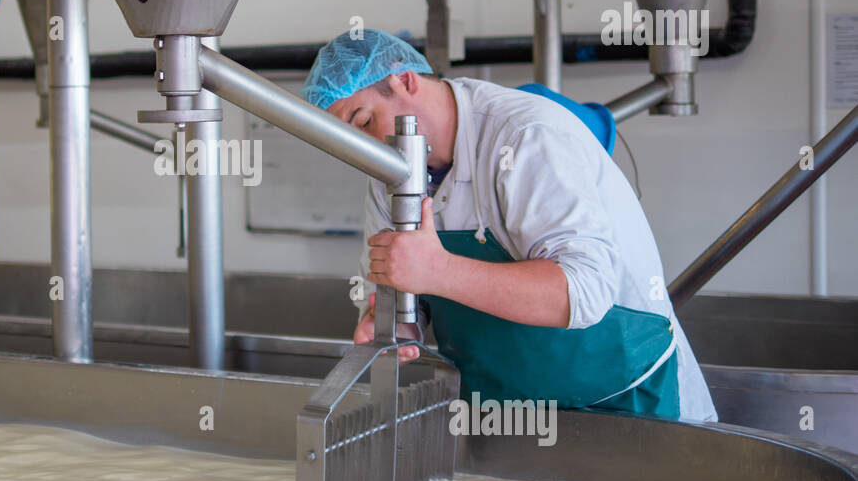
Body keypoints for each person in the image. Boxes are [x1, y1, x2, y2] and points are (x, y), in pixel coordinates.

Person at [302, 29, 716, 422]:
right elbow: (405, 289)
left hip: (628, 403)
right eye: (350, 141)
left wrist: (440, 271)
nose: (368, 149)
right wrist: (397, 323)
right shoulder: (388, 173)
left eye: (364, 121)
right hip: (502, 414)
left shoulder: (526, 136)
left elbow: (584, 291)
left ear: (406, 81)